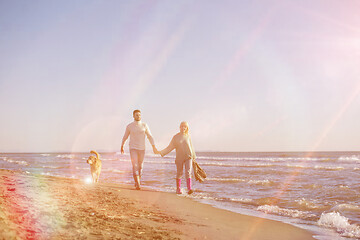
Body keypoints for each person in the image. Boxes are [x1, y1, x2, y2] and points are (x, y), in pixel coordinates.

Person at [121, 109, 157, 190]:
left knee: (140, 166)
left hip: (142, 148)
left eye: (139, 115)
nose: (138, 116)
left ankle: (137, 181)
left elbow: (150, 136)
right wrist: (122, 145)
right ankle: (138, 184)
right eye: (137, 115)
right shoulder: (129, 126)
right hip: (133, 148)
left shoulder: (144, 125)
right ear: (133, 116)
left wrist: (153, 146)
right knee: (135, 165)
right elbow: (125, 136)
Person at [158, 121, 196, 194]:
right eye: (182, 126)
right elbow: (170, 147)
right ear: (179, 127)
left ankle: (189, 189)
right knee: (179, 173)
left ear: (187, 127)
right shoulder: (176, 137)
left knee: (188, 172)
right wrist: (162, 152)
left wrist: (193, 156)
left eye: (185, 126)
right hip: (179, 157)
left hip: (188, 156)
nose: (183, 128)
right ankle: (178, 189)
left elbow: (191, 147)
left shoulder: (188, 136)